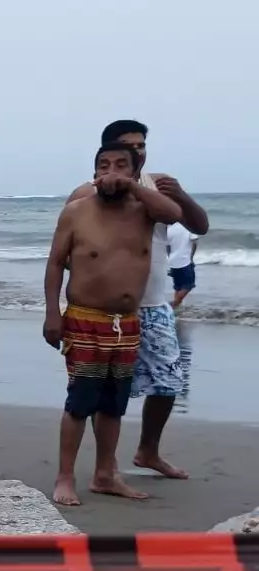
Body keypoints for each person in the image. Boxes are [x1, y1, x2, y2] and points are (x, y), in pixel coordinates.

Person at [67, 119, 210, 481]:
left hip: (154, 303)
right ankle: (106, 465)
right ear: (109, 151)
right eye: (129, 144)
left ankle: (148, 450)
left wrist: (180, 194)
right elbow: (68, 250)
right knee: (104, 389)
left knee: (169, 382)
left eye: (142, 144)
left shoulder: (159, 186)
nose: (138, 150)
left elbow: (199, 226)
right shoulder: (86, 192)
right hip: (106, 310)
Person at [44, 143, 184, 506]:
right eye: (104, 165)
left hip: (128, 324)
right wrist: (51, 314)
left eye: (122, 165)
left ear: (136, 172)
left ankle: (106, 475)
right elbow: (56, 263)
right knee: (80, 402)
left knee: (113, 405)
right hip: (85, 320)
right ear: (93, 173)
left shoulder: (144, 211)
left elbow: (175, 212)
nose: (111, 171)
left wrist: (133, 186)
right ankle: (65, 477)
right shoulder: (77, 211)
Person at [167, 223, 197, 308]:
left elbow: (167, 246)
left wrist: (170, 257)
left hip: (173, 261)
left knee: (178, 287)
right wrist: (191, 258)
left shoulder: (169, 228)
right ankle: (173, 305)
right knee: (189, 285)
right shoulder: (189, 226)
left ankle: (175, 309)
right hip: (185, 261)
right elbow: (194, 242)